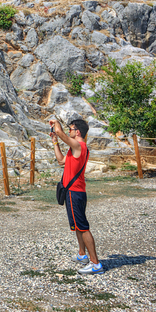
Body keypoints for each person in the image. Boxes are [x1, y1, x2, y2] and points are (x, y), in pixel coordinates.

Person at [50, 118, 103, 275]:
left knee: (83, 227)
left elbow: (60, 132)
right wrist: (55, 142)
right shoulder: (75, 149)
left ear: (77, 132)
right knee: (77, 226)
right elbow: (60, 161)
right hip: (73, 192)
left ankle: (96, 264)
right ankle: (82, 254)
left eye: (71, 129)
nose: (69, 132)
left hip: (75, 192)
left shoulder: (79, 146)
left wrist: (56, 125)